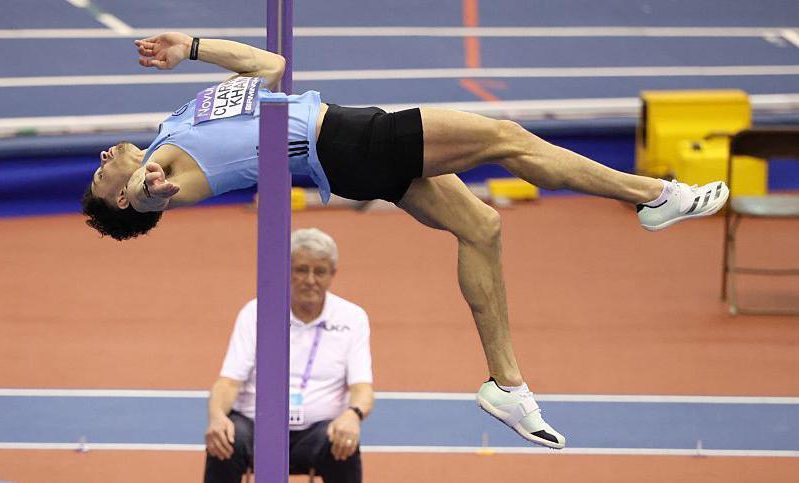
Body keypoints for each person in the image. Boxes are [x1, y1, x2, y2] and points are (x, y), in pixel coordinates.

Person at [83, 32, 731, 449]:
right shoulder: (169, 176)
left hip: (348, 143)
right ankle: (655, 196)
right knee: (506, 136)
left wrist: (190, 46)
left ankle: (507, 384)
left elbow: (269, 65)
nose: (103, 156)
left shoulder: (175, 124)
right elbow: (149, 189)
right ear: (118, 197)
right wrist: (149, 188)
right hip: (347, 143)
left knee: (482, 226)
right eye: (100, 171)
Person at [204, 228, 373, 483]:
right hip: (255, 426)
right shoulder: (256, 312)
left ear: (332, 275)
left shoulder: (353, 317)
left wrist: (353, 415)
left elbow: (362, 387)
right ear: (287, 270)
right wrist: (217, 417)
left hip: (317, 432)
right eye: (302, 270)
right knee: (224, 438)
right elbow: (228, 382)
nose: (310, 280)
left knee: (345, 439)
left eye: (320, 271)